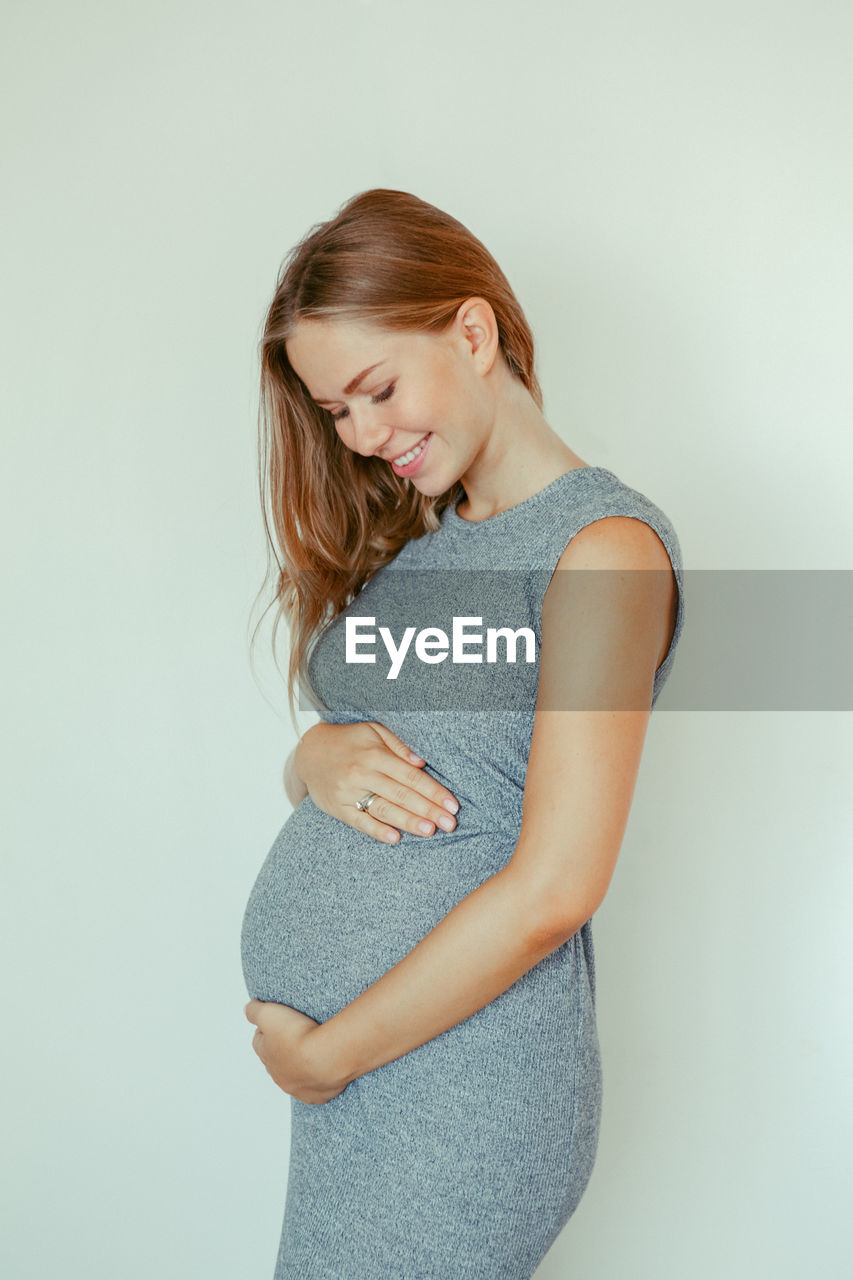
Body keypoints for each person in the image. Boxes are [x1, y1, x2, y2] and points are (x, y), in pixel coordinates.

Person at [240, 188, 686, 1279]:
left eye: (376, 388)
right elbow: (378, 748)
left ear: (472, 331)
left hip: (462, 1078)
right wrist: (307, 760)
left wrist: (327, 1054)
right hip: (375, 1072)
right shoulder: (426, 541)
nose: (360, 434)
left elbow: (557, 887)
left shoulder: (601, 550)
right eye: (335, 409)